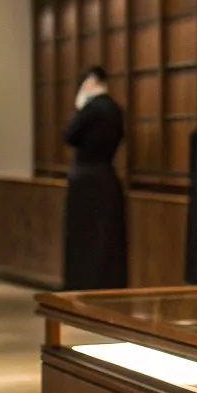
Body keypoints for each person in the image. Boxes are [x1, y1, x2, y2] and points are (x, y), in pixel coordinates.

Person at [61, 66, 127, 290]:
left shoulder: (90, 109)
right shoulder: (116, 110)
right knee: (105, 239)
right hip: (106, 176)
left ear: (90, 82)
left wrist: (79, 108)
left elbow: (69, 135)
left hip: (85, 179)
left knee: (83, 240)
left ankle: (81, 284)